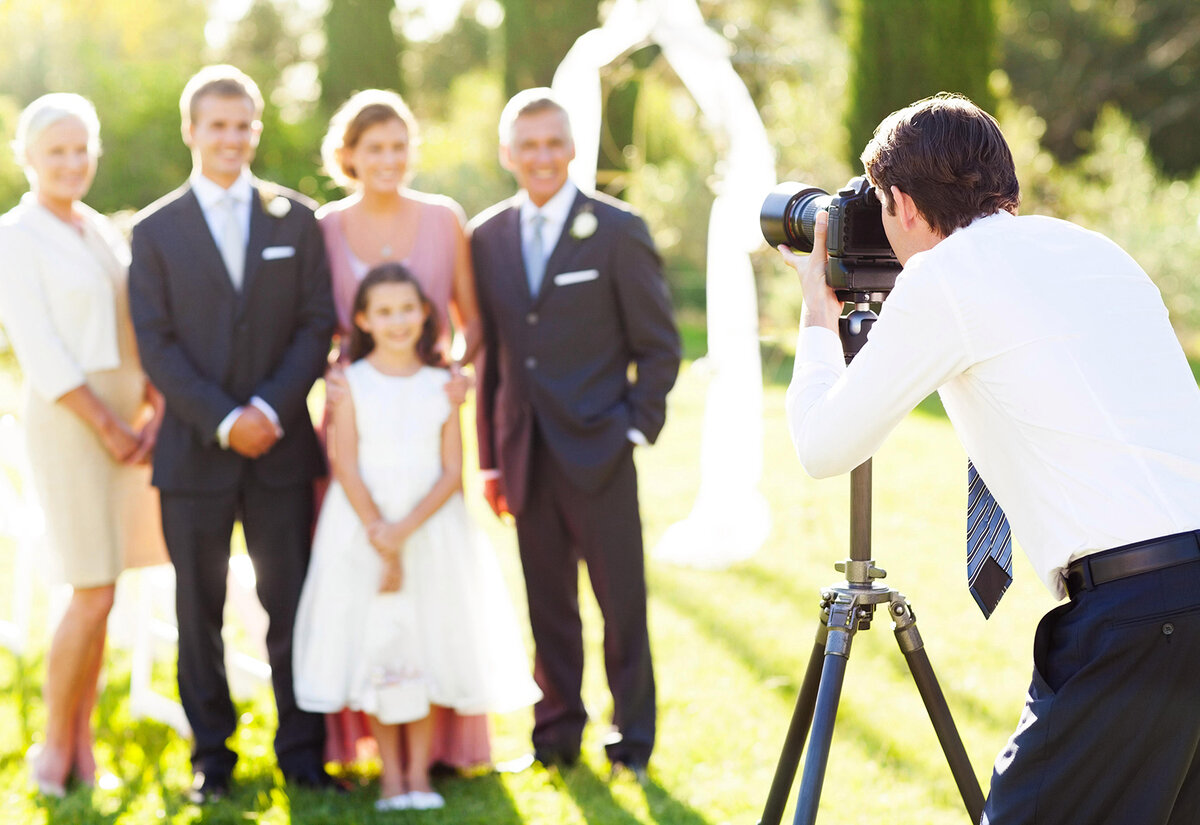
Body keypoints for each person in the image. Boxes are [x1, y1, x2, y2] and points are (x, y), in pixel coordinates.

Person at [780, 93, 1200, 825]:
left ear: (903, 204)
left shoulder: (945, 280)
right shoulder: (1096, 249)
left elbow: (823, 446)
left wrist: (817, 317)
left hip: (1142, 611)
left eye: (880, 207)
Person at [128, 65, 337, 803]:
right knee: (198, 610)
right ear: (191, 130)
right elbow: (156, 343)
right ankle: (212, 760)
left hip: (281, 448)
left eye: (244, 124)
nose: (232, 138)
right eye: (217, 125)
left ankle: (303, 753)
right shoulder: (153, 231)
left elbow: (318, 323)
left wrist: (270, 412)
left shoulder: (297, 218)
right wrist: (222, 418)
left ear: (256, 128)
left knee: (293, 602)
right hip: (193, 453)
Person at [470, 88, 681, 778]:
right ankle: (556, 735)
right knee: (547, 605)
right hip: (524, 454)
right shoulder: (488, 236)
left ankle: (632, 741)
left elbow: (658, 346)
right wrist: (491, 461)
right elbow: (494, 356)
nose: (542, 157)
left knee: (621, 606)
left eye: (554, 143)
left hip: (602, 452)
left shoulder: (617, 230)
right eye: (527, 145)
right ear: (508, 154)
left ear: (572, 148)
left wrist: (633, 430)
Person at [292, 264, 541, 811]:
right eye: (383, 311)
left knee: (424, 643)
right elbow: (345, 462)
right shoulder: (350, 382)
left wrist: (403, 532)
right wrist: (380, 534)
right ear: (362, 319)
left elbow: (453, 471)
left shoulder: (442, 384)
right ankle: (390, 776)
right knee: (379, 644)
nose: (397, 321)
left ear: (426, 313)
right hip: (361, 529)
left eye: (407, 309)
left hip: (431, 531)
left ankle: (419, 773)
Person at [0, 92, 167, 797]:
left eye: (80, 149)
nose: (71, 163)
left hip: (131, 423)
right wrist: (109, 424)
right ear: (28, 159)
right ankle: (50, 746)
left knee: (110, 587)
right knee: (89, 588)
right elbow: (40, 351)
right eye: (56, 151)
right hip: (74, 423)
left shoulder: (100, 228)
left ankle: (84, 742)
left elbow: (137, 325)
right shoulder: (15, 234)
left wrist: (154, 404)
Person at [315, 88, 488, 769]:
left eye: (398, 146)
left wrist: (459, 376)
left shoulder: (444, 219)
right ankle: (366, 741)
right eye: (374, 147)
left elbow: (470, 321)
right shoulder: (326, 225)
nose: (388, 159)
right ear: (349, 155)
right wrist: (329, 377)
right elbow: (316, 323)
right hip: (356, 413)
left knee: (434, 583)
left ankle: (439, 745)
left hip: (428, 414)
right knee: (361, 578)